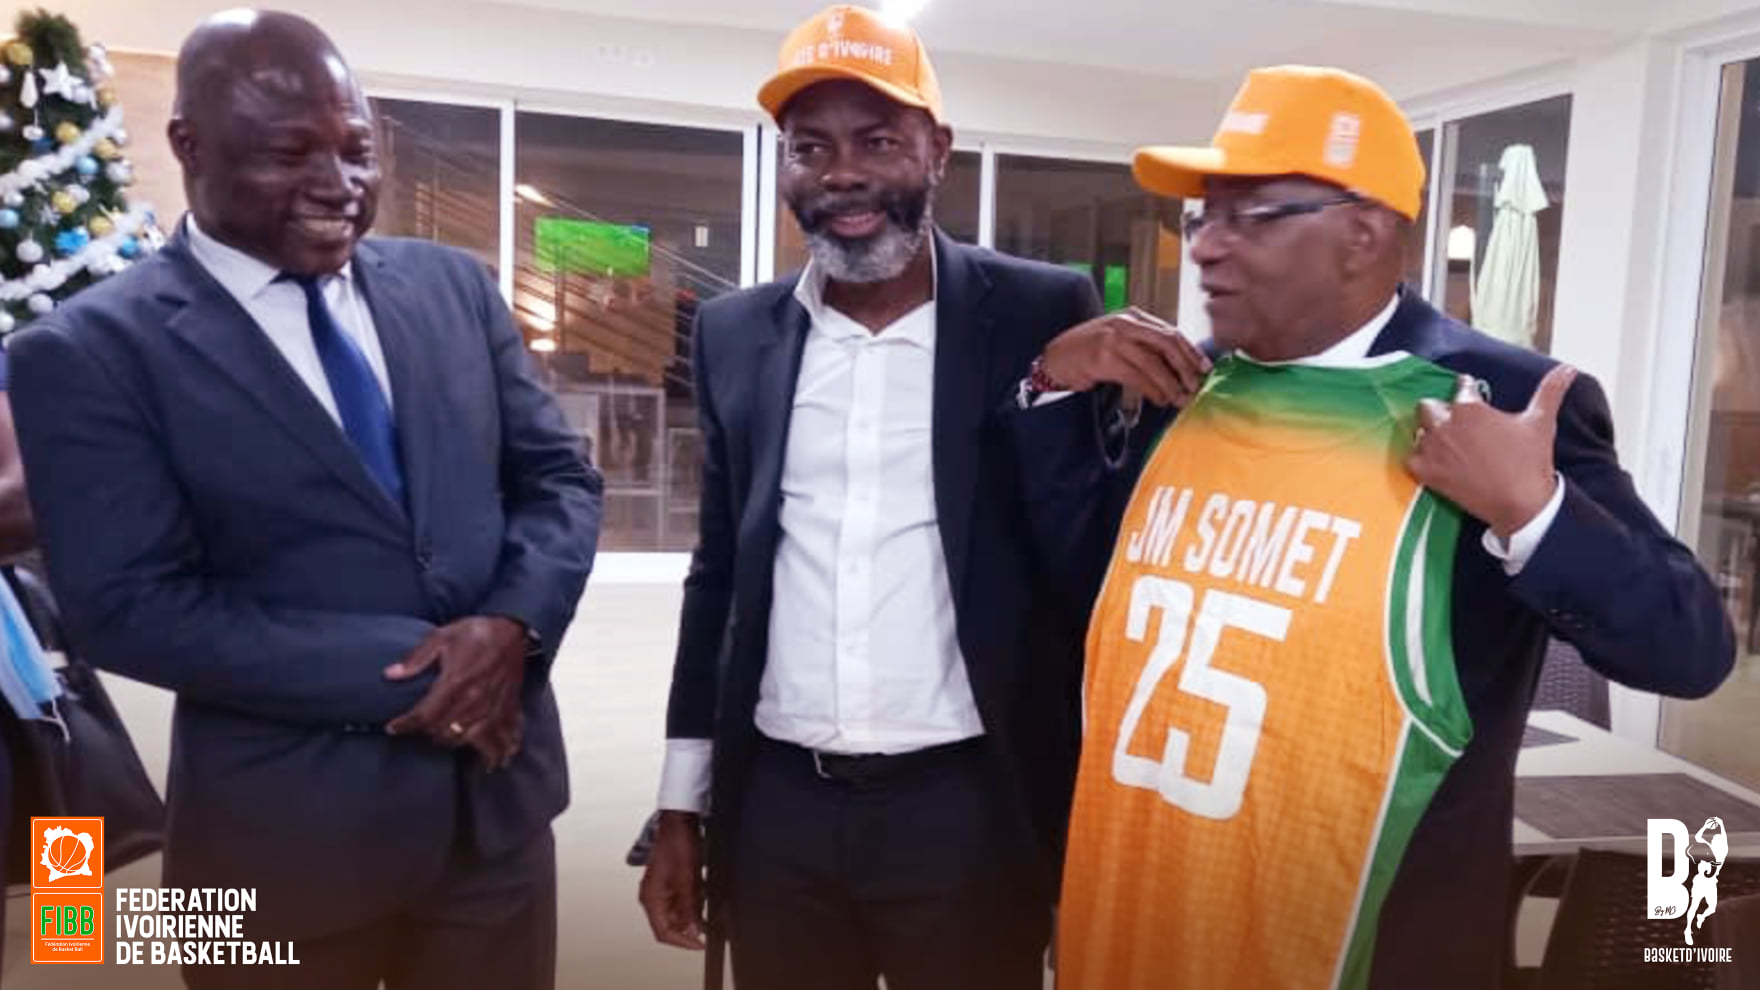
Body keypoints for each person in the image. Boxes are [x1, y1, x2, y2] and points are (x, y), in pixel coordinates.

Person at [1013, 65, 1735, 989]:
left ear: (1362, 232)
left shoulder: (1493, 401)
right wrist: (1052, 387)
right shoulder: (1190, 384)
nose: (1207, 249)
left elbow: (1688, 650)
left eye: (1250, 216)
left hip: (1368, 942)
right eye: (1204, 219)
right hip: (1156, 916)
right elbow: (1091, 584)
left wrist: (1533, 511)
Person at [7, 11, 601, 989]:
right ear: (189, 145)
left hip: (495, 821)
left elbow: (559, 482)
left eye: (358, 151)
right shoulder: (84, 353)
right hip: (276, 848)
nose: (339, 185)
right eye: (290, 154)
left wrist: (511, 628)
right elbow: (128, 606)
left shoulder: (455, 287)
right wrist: (430, 676)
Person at [636, 6, 1102, 988]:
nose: (840, 173)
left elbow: (1077, 558)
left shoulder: (1040, 313)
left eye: (878, 141)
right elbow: (717, 578)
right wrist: (683, 800)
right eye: (810, 147)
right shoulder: (733, 334)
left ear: (938, 151)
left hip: (968, 807)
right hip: (778, 811)